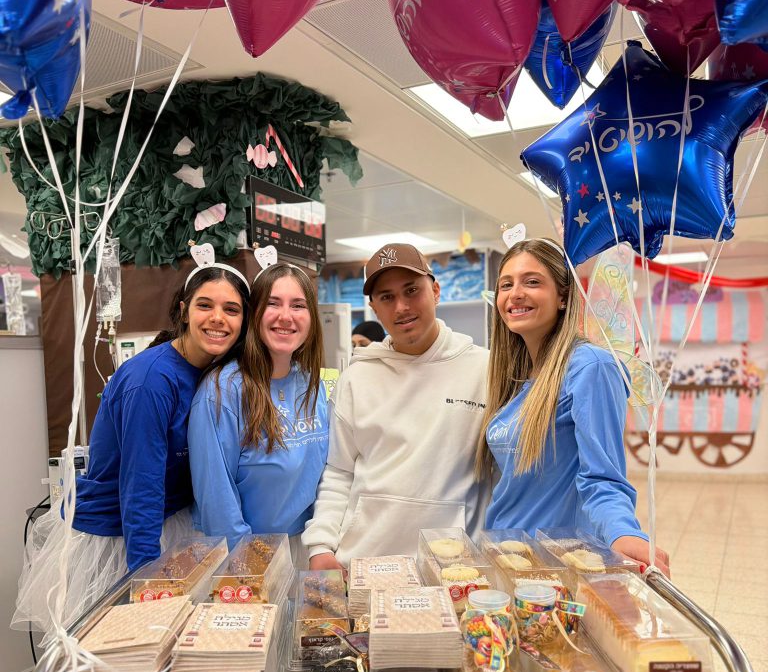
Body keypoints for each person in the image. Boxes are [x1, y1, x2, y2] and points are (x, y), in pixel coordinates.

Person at [15, 262, 250, 633]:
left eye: (231, 309)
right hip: (119, 537)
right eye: (205, 305)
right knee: (125, 651)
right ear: (184, 310)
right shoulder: (151, 380)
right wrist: (146, 580)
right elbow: (142, 484)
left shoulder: (215, 372)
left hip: (169, 525)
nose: (217, 318)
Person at [476, 237, 669, 574]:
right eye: (506, 284)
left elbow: (603, 478)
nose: (515, 293)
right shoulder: (515, 376)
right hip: (505, 554)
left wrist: (623, 532)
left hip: (554, 567)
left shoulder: (590, 366)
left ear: (563, 297)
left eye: (532, 282)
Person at [303, 242, 489, 571]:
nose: (401, 307)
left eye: (411, 290)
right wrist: (320, 545)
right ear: (374, 308)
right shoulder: (357, 378)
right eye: (387, 297)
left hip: (451, 569)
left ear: (435, 291)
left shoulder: (485, 370)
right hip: (363, 565)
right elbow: (339, 472)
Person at [188, 262, 329, 555]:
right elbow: (217, 501)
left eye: (298, 305)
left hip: (308, 546)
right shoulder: (223, 391)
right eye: (273, 303)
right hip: (247, 552)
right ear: (254, 314)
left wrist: (322, 544)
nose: (286, 316)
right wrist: (252, 563)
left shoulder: (312, 384)